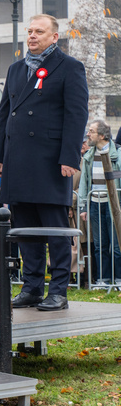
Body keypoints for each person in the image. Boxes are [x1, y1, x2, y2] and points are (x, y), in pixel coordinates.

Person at [0, 14, 89, 311]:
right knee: (26, 228)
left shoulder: (70, 67)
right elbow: (4, 115)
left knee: (54, 230)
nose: (32, 36)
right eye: (29, 31)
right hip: (18, 160)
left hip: (51, 162)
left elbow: (76, 115)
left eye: (39, 31)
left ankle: (58, 290)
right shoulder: (16, 69)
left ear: (54, 36)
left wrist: (70, 157)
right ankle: (32, 287)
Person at [78, 119, 121, 285]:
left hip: (114, 206)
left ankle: (118, 279)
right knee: (99, 245)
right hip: (95, 204)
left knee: (117, 244)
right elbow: (84, 183)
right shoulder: (88, 156)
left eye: (91, 131)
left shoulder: (117, 153)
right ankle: (103, 279)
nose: (88, 134)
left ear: (102, 135)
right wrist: (83, 207)